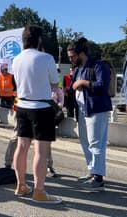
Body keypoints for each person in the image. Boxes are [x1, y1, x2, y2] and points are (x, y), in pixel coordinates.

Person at [12, 25, 62, 204]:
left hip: (22, 106)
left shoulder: (16, 59)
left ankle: (21, 185)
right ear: (39, 39)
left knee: (22, 147)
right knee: (41, 151)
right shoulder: (46, 57)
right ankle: (39, 191)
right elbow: (55, 84)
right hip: (41, 107)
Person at [67, 37, 112, 191]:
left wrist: (83, 83)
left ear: (81, 54)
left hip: (97, 109)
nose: (71, 59)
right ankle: (92, 171)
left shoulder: (99, 65)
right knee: (85, 142)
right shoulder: (78, 69)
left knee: (96, 143)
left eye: (72, 56)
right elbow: (71, 88)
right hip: (82, 109)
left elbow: (102, 85)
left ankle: (98, 180)